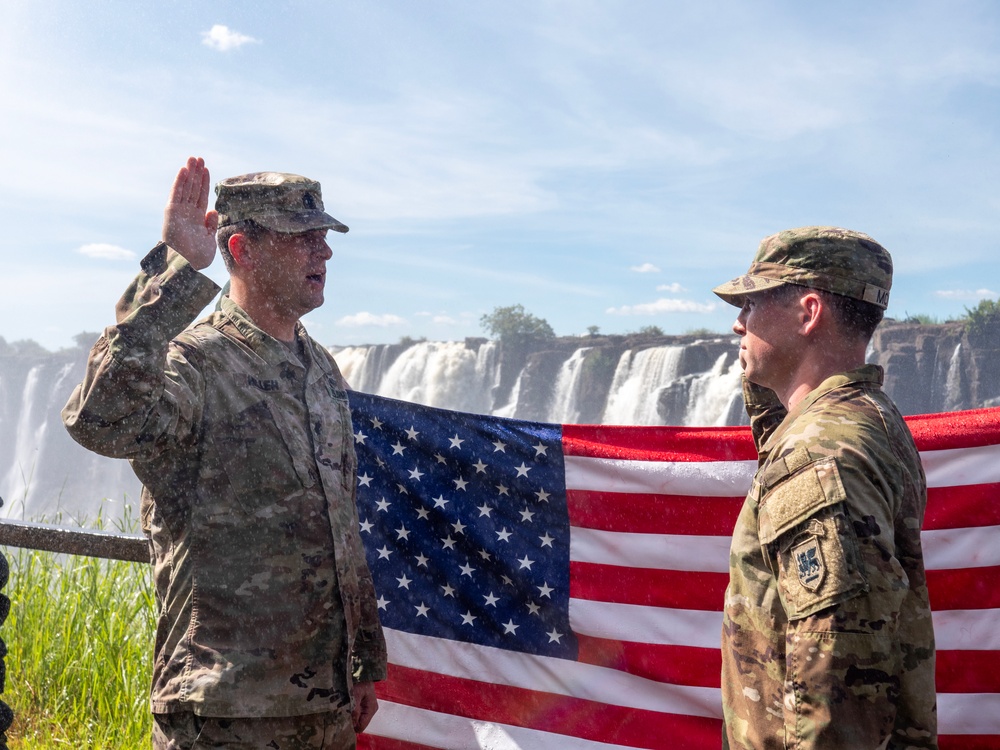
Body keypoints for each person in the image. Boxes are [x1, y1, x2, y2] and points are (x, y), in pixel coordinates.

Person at [62, 157, 386, 749]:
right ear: (242, 247)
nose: (325, 253)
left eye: (324, 237)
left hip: (326, 705)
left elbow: (343, 524)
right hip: (224, 711)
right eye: (302, 238)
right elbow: (100, 422)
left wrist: (363, 661)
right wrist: (171, 271)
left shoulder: (321, 370)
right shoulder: (193, 362)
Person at [711, 226, 937, 749]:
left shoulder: (820, 452)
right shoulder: (868, 420)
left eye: (751, 302)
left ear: (808, 313)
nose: (737, 322)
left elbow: (835, 684)